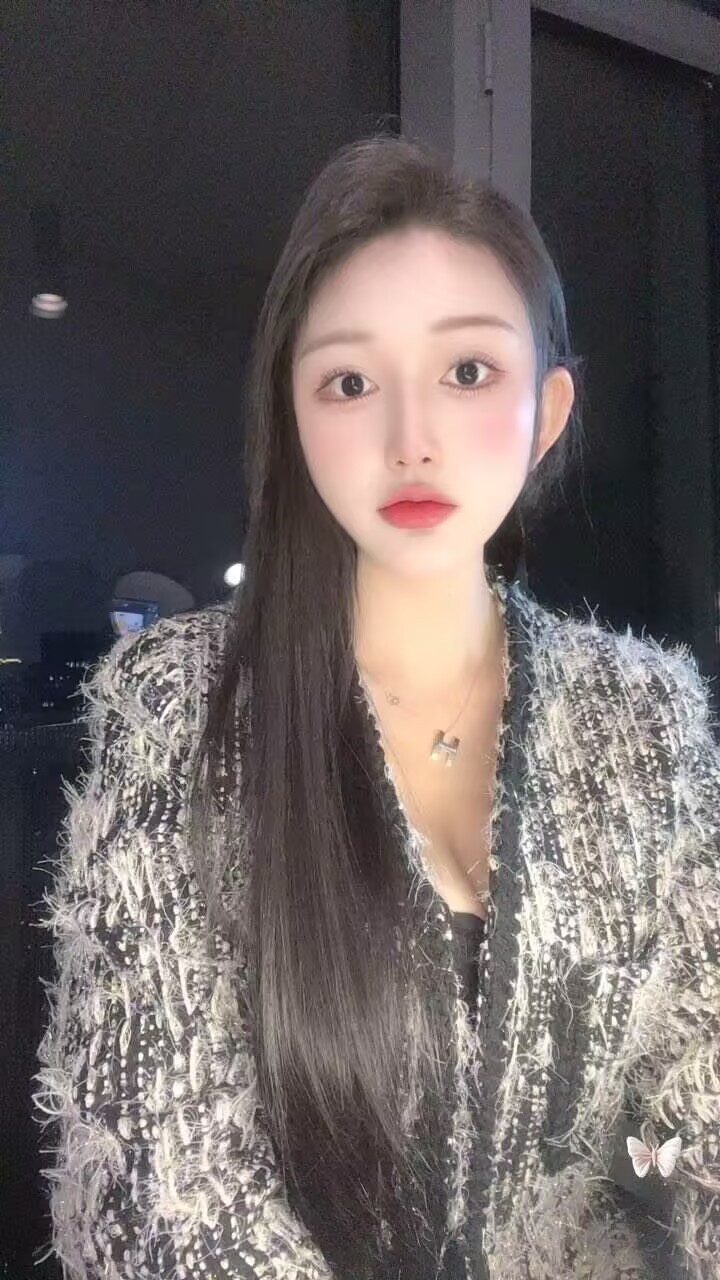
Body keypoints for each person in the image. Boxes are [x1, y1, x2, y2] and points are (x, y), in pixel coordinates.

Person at [33, 134, 719, 1280]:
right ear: (296, 414)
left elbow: (700, 1098)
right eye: (350, 382)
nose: (411, 439)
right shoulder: (179, 707)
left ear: (548, 409)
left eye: (468, 371)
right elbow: (158, 1202)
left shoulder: (645, 716)